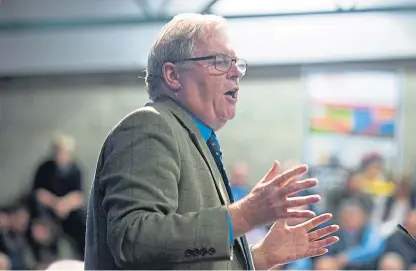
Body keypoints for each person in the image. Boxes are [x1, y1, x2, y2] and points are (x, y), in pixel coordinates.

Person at [84, 13, 339, 270]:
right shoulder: (149, 126)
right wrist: (244, 215)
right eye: (220, 61)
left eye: (237, 63)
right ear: (173, 75)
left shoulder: (195, 140)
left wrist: (262, 256)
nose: (237, 72)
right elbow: (134, 240)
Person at [31, 132, 86, 258]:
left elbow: (78, 196)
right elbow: (38, 193)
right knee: (40, 225)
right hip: (48, 211)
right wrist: (56, 204)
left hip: (68, 212)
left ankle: (84, 257)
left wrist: (64, 205)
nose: (60, 155)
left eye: (64, 152)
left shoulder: (76, 170)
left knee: (83, 222)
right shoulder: (44, 168)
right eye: (58, 151)